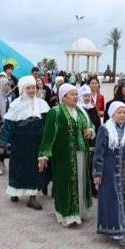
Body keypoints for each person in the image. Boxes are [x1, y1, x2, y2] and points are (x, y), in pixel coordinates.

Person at [38, 84, 96, 227]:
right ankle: (66, 213)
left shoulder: (81, 111)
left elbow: (91, 126)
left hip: (81, 154)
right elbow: (48, 135)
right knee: (65, 183)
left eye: (76, 94)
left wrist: (90, 131)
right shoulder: (56, 112)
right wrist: (44, 155)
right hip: (63, 156)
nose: (76, 97)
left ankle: (79, 211)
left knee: (80, 181)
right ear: (63, 97)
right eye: (72, 94)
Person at [0, 75, 51, 210]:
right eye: (29, 88)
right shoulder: (16, 105)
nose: (32, 90)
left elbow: (48, 124)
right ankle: (14, 191)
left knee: (35, 169)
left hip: (36, 144)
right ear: (22, 89)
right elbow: (8, 126)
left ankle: (32, 197)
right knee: (18, 169)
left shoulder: (42, 104)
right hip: (20, 144)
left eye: (33, 87)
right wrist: (2, 144)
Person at [92, 101, 125, 247]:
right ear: (112, 113)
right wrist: (97, 174)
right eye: (119, 112)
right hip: (109, 173)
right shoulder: (104, 129)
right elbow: (98, 153)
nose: (122, 115)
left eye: (124, 112)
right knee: (112, 201)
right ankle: (118, 232)